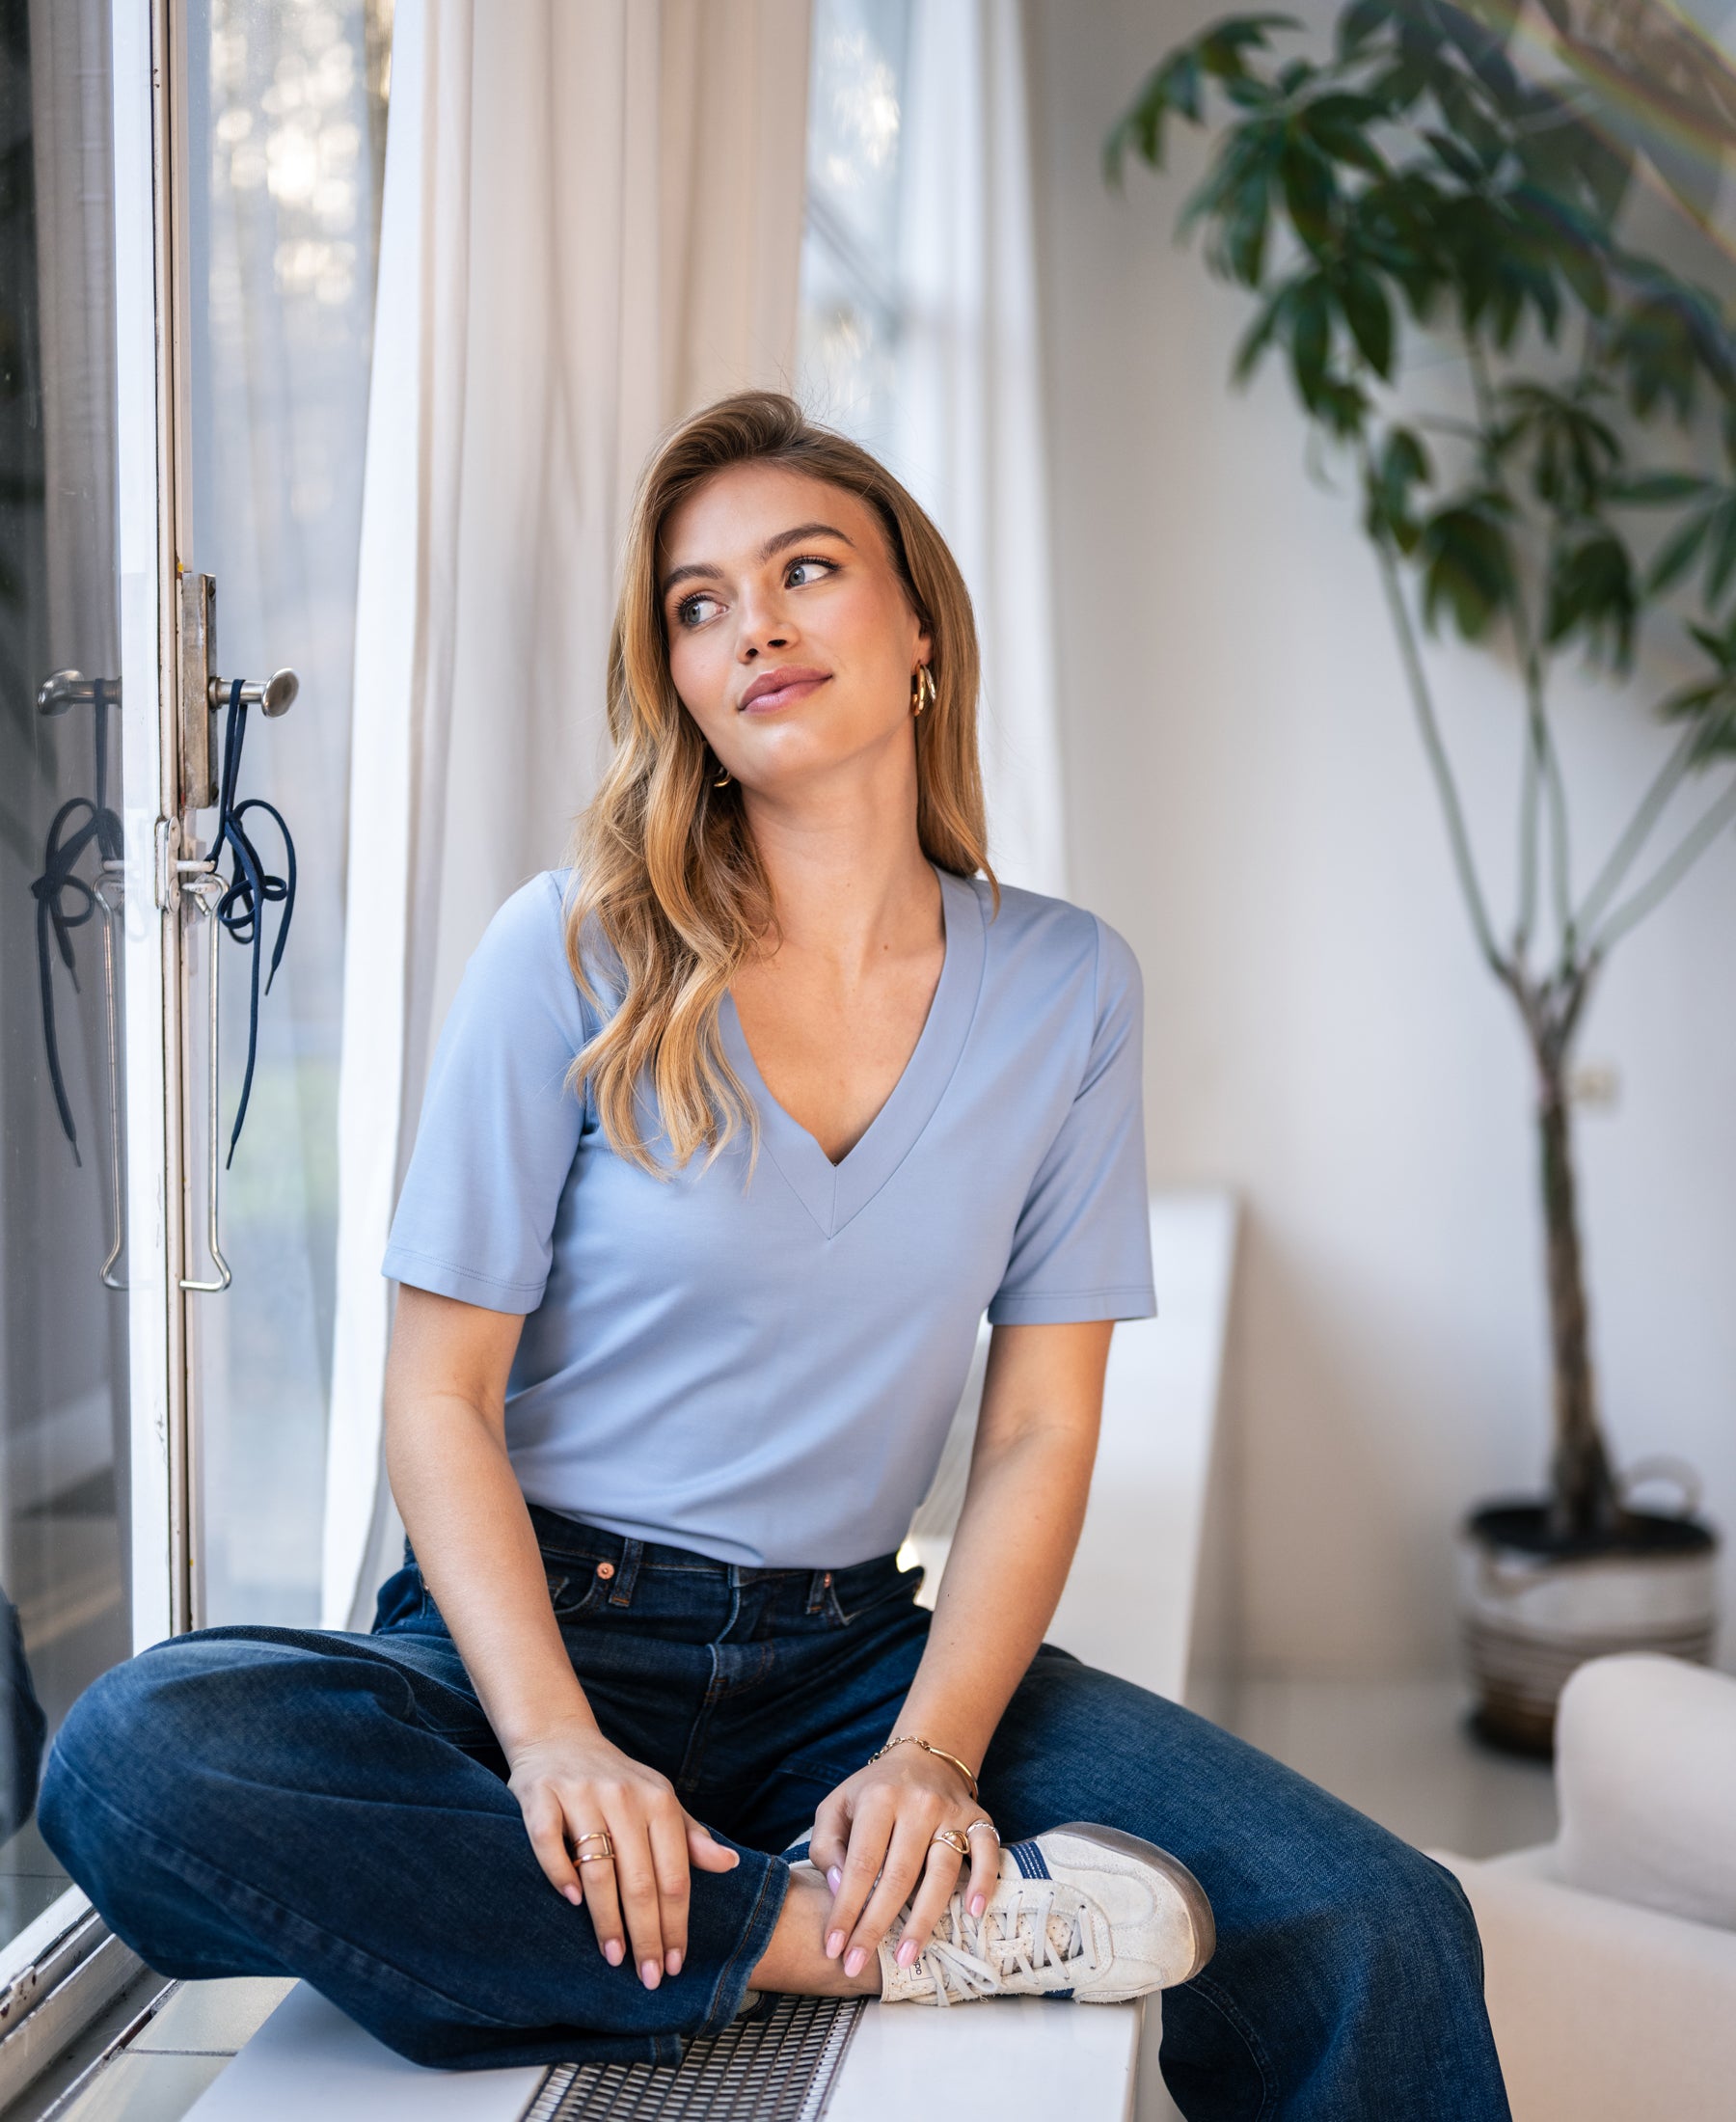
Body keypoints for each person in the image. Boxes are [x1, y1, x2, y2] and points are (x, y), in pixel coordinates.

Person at [39, 394, 1510, 2120]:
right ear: (677, 681)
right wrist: (553, 1742)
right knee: (142, 1756)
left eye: (805, 570)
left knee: (1378, 1921)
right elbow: (438, 1397)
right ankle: (837, 1939)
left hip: (849, 1661)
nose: (755, 625)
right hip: (540, 1633)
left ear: (920, 629)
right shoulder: (569, 949)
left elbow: (1041, 1425)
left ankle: (673, 1914)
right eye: (700, 603)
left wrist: (932, 1754)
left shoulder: (1070, 988)